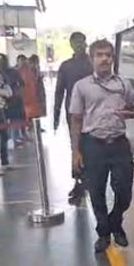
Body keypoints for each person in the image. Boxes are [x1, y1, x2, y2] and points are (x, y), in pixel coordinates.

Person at [70, 39, 134, 252]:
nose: (104, 59)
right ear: (92, 59)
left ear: (113, 59)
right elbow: (76, 119)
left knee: (125, 192)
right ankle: (104, 232)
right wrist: (76, 151)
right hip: (93, 145)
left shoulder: (124, 84)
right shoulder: (81, 86)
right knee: (96, 191)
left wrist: (130, 113)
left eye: (108, 55)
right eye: (99, 55)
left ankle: (115, 221)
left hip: (119, 144)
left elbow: (133, 109)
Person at [55, 31, 93, 203]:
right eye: (76, 42)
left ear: (85, 43)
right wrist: (55, 115)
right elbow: (59, 91)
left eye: (81, 42)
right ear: (71, 45)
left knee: (93, 146)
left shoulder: (93, 64)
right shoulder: (65, 66)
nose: (79, 45)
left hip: (94, 111)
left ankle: (90, 180)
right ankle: (79, 181)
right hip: (73, 113)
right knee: (76, 146)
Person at [0, 54, 26, 147]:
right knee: (3, 121)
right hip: (1, 99)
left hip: (14, 99)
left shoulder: (13, 72)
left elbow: (22, 84)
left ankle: (14, 138)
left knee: (14, 119)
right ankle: (7, 139)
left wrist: (17, 92)